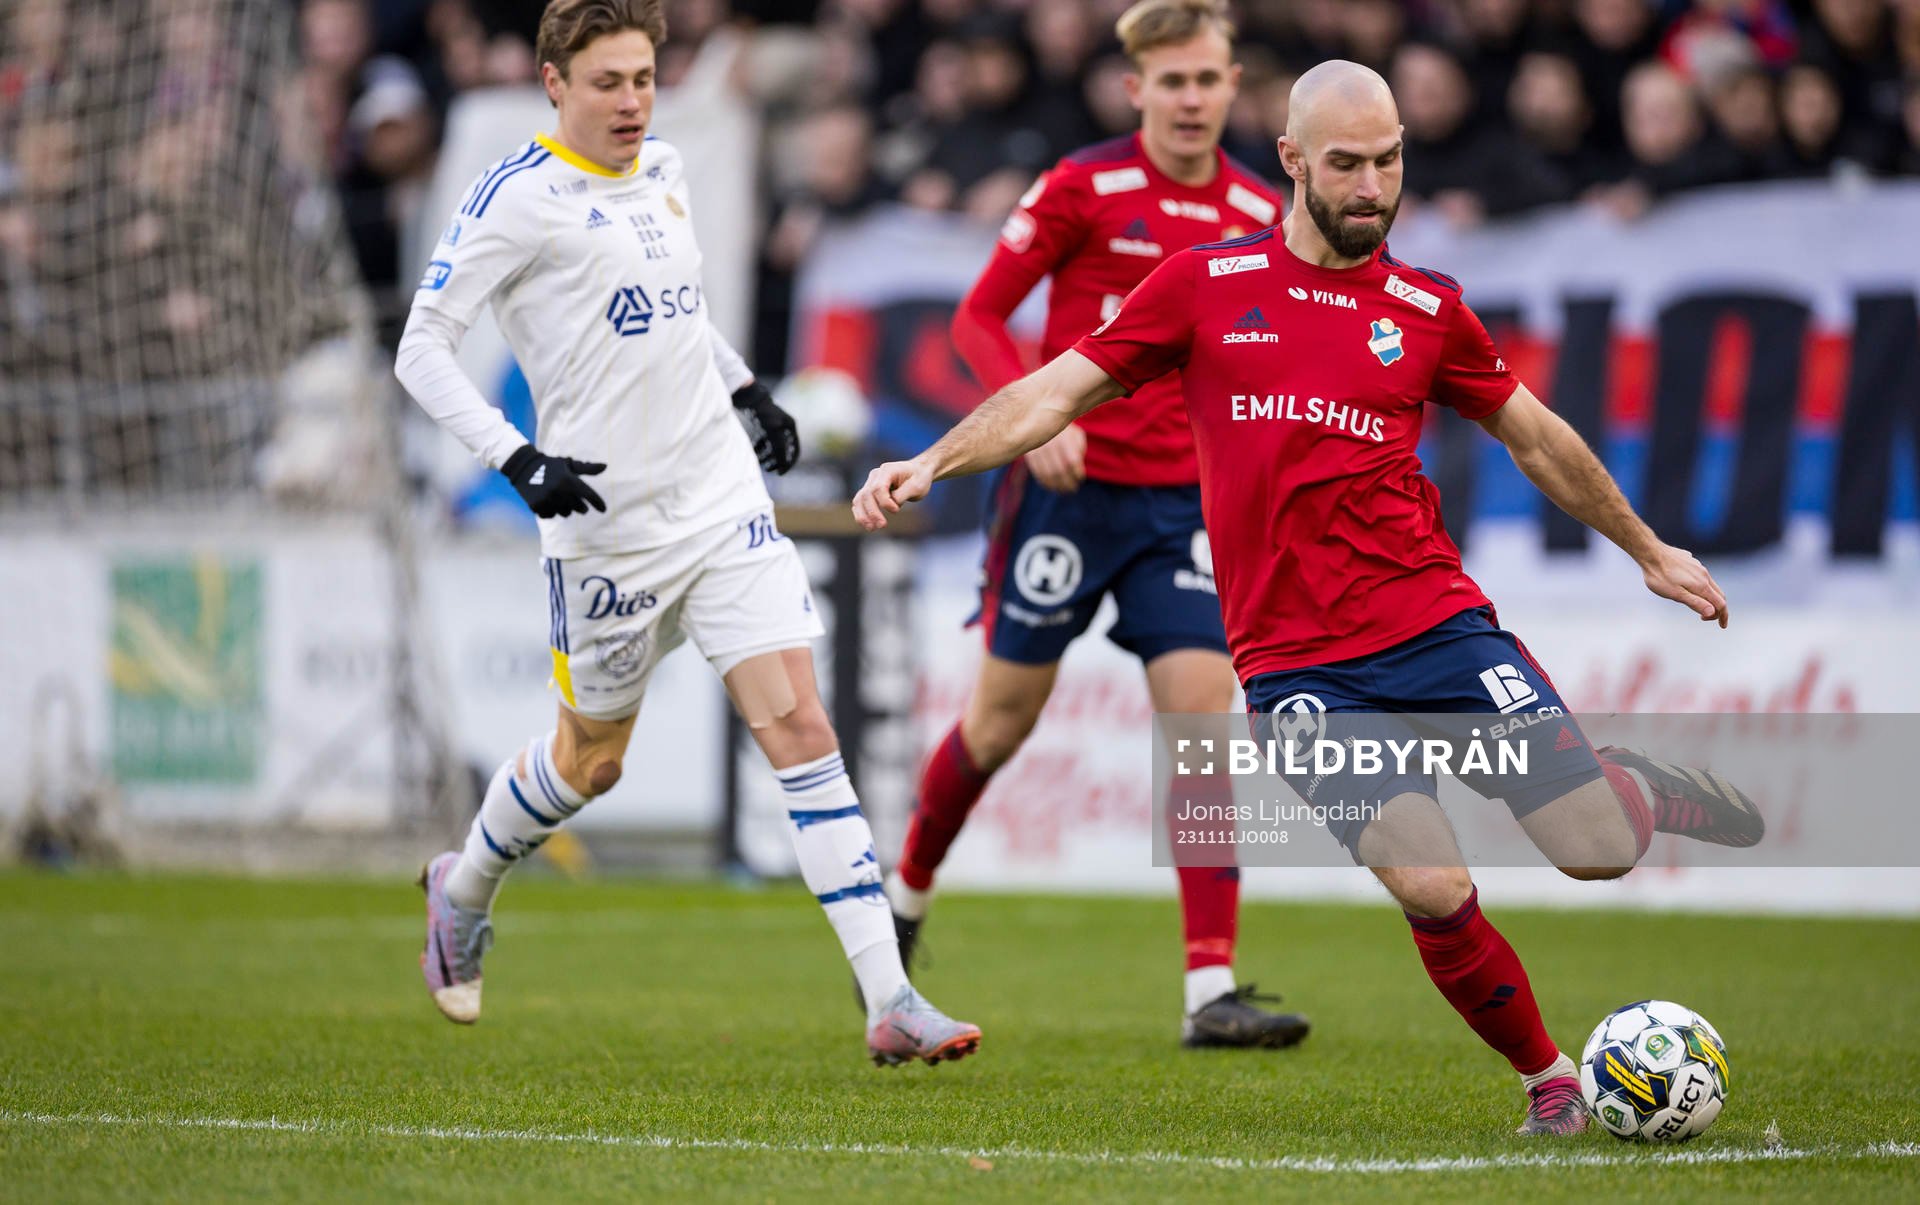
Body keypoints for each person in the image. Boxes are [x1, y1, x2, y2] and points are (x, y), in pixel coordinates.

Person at [854, 60, 1765, 1131]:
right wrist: (935, 461)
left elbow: (1536, 435)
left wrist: (1648, 548)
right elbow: (1056, 386)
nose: (1374, 185)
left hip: (1436, 628)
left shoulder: (1429, 308)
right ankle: (1549, 1079)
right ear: (1292, 161)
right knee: (1429, 879)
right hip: (1299, 671)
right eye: (1348, 164)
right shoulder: (1206, 286)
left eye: (1390, 161)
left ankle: (1638, 788)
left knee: (1599, 847)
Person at [393, 0, 980, 1069]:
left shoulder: (663, 170)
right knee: (591, 761)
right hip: (606, 532)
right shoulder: (515, 200)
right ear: (554, 82)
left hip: (717, 500)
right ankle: (465, 882)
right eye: (609, 81)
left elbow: (674, 305)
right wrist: (515, 456)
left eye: (645, 80)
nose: (631, 102)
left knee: (799, 723)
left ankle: (891, 998)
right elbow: (421, 348)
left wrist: (745, 387)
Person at [890, 0, 1309, 1050]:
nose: (1191, 99)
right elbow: (979, 316)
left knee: (1204, 730)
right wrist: (1036, 421)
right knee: (998, 725)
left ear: (1232, 82)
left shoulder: (1262, 210)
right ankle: (899, 905)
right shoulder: (1082, 186)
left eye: (1208, 80)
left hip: (1183, 509)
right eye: (1171, 82)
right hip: (1065, 497)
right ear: (1136, 89)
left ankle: (1209, 990)